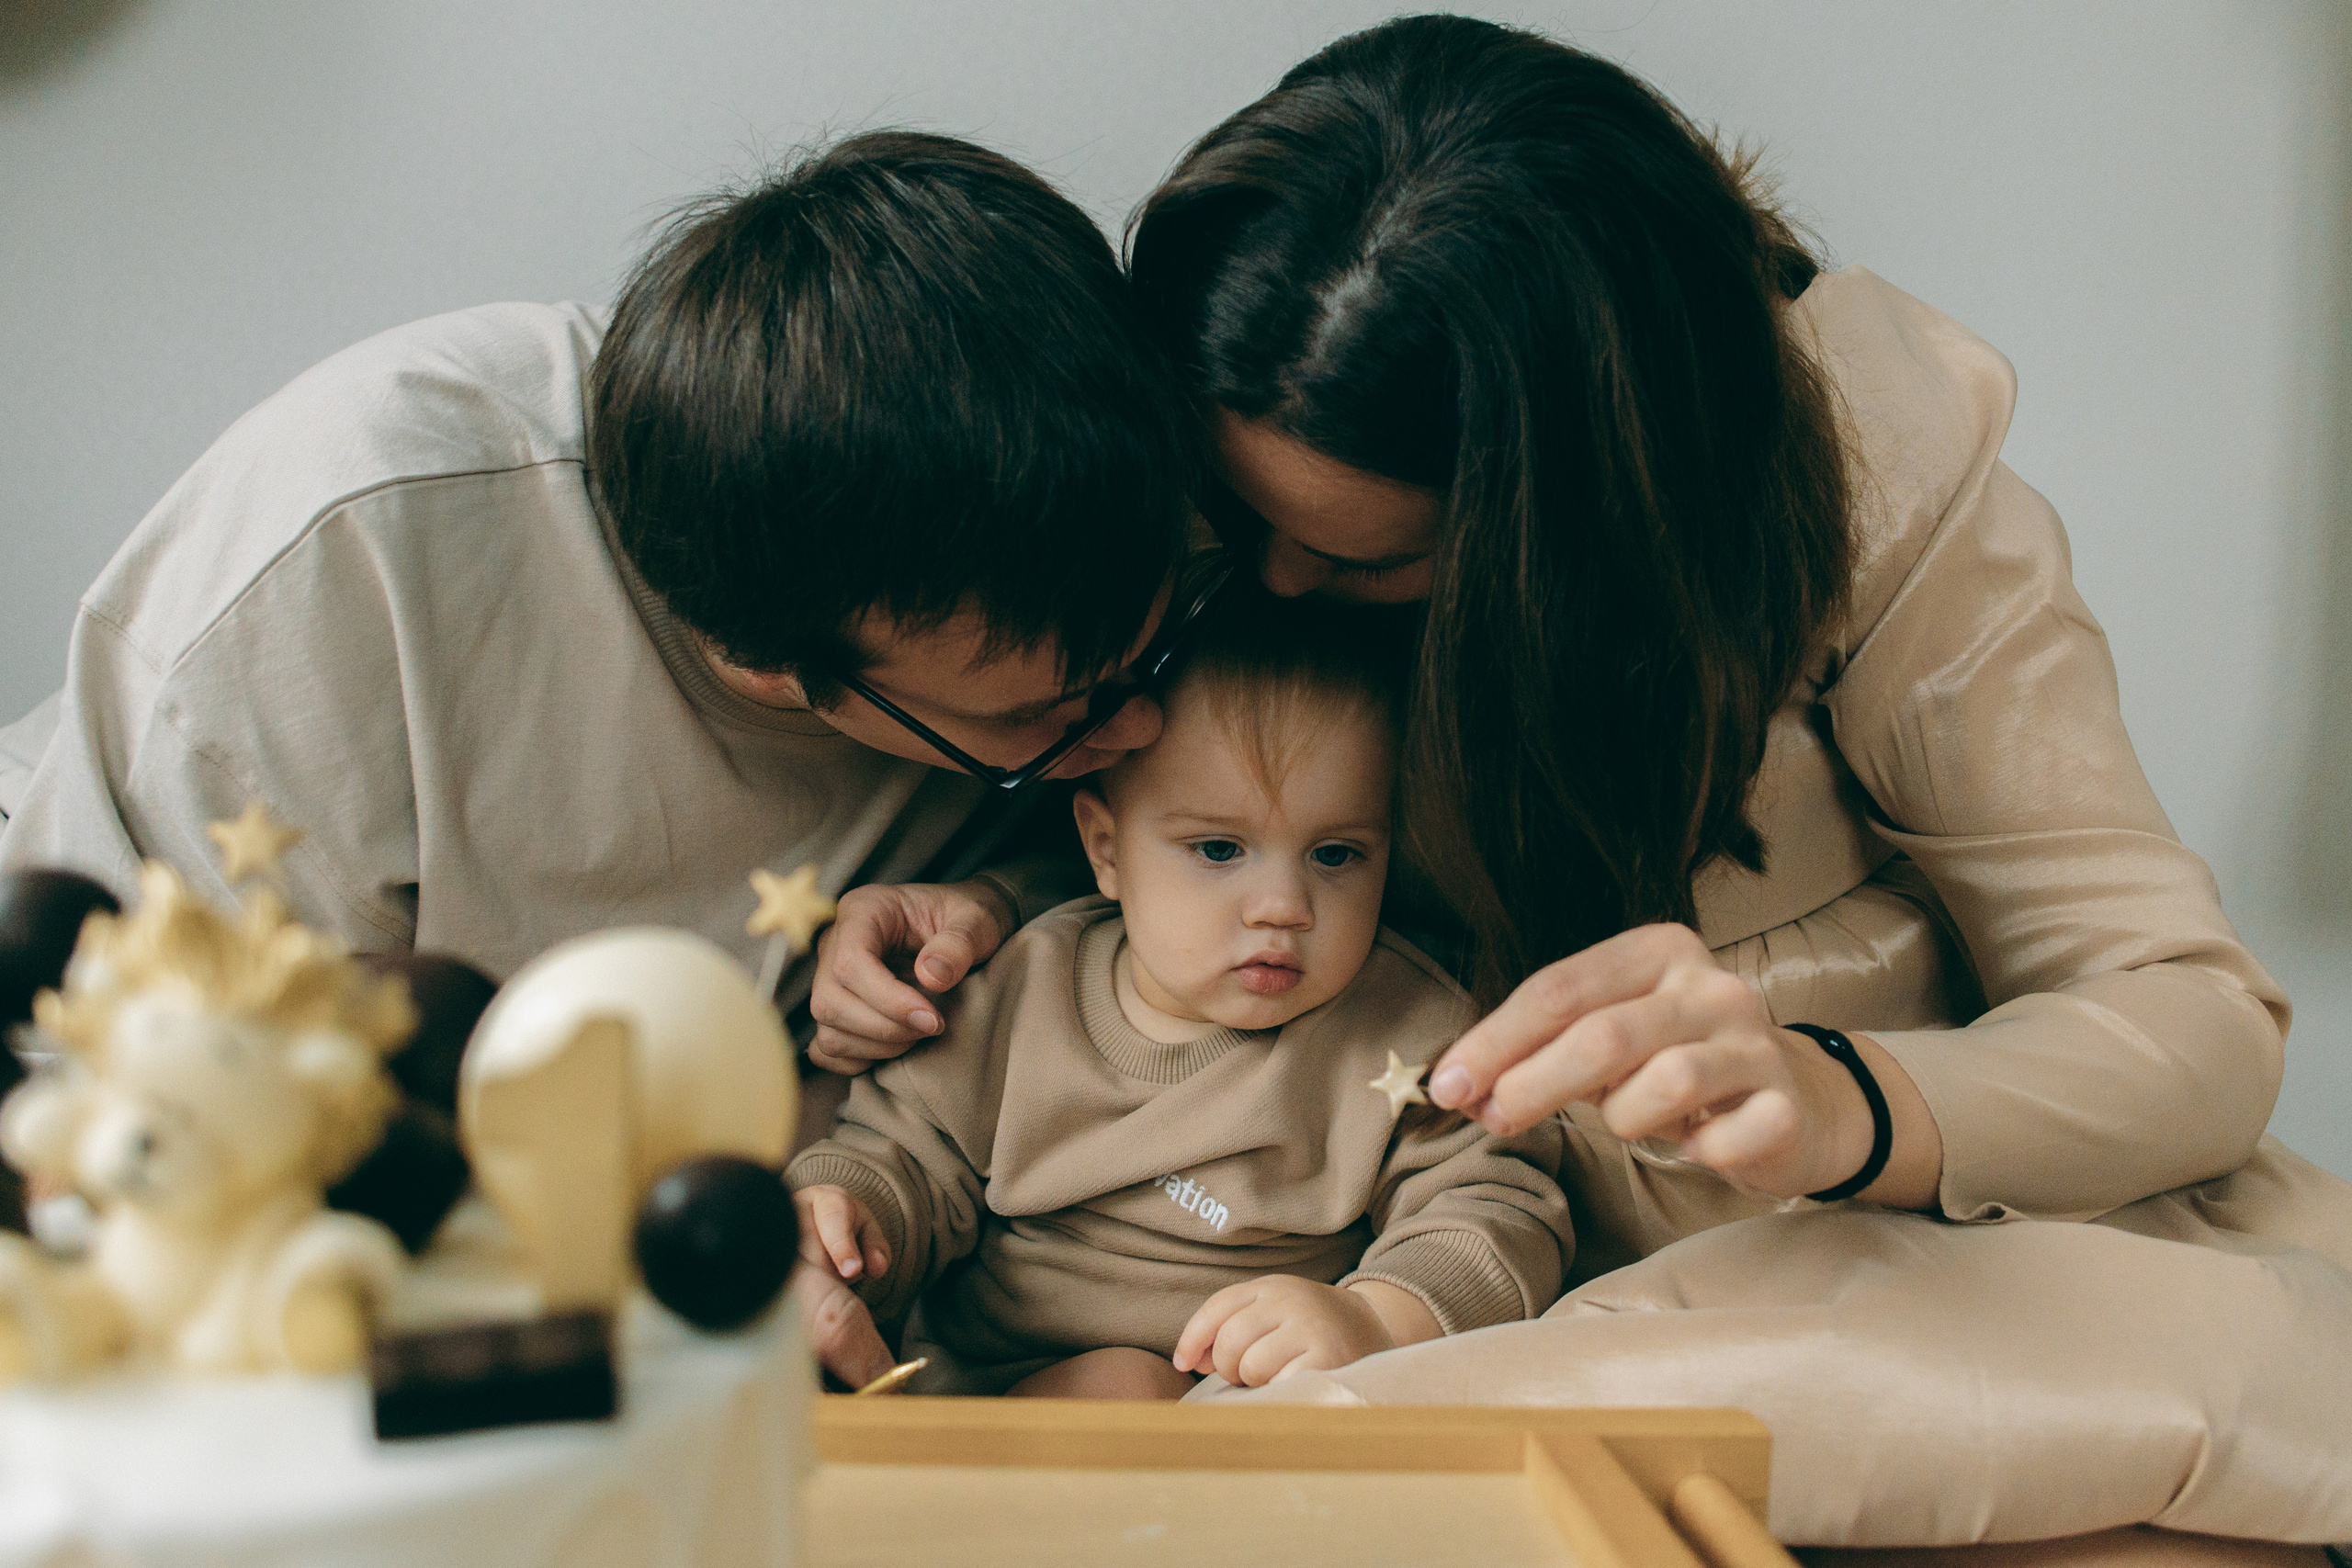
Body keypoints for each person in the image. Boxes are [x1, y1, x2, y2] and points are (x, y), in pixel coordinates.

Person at [813, 17, 2342, 1269]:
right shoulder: (1201, 463)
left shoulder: (1880, 487)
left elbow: (2189, 1017)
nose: (1259, 580)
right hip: (1386, 1281)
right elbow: (1163, 844)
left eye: (1367, 557)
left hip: (1831, 1250)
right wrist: (976, 911)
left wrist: (1838, 1101)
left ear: (1570, 537)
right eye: (1233, 510)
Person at [0, 133, 1192, 1023]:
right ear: (771, 664)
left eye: (1142, 662)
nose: (1136, 723)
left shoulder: (1117, 493)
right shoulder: (354, 547)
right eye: (1049, 712)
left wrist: (999, 884)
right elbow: (130, 1072)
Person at [786, 583, 1566, 1394]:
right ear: (1106, 848)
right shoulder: (1027, 984)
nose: (1284, 907)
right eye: (1220, 849)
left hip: (1233, 1401)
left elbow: (1500, 1209)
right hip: (974, 1386)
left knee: (1129, 1384)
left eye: (1336, 855)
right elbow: (906, 1155)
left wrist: (1374, 1317)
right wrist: (847, 1215)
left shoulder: (1406, 1029)